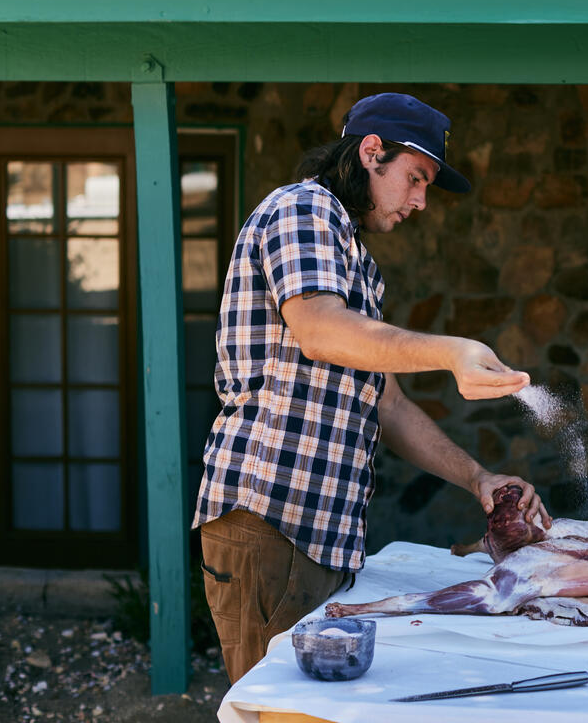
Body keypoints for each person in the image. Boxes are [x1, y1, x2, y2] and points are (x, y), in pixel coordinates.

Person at [193, 92, 551, 682]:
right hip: (270, 519)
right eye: (416, 178)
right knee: (278, 712)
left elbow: (387, 403)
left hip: (322, 536)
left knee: (312, 712)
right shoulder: (303, 208)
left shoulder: (356, 261)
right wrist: (451, 352)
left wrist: (479, 480)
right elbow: (318, 330)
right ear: (370, 152)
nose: (420, 201)